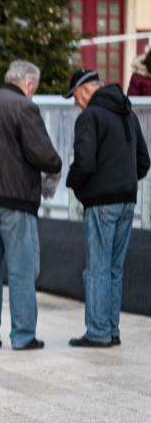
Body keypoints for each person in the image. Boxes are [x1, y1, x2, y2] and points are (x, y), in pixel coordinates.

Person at [0, 61, 63, 351]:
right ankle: (22, 336)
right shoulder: (24, 107)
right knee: (21, 269)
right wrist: (55, 165)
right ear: (29, 84)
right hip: (15, 201)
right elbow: (45, 156)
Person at [64, 69, 150, 347]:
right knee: (114, 269)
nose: (76, 103)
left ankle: (98, 332)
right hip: (127, 201)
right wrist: (122, 181)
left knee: (98, 268)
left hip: (101, 203)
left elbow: (84, 163)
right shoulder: (127, 113)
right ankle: (111, 329)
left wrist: (74, 185)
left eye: (76, 96)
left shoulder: (89, 117)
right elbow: (144, 162)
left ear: (87, 89)